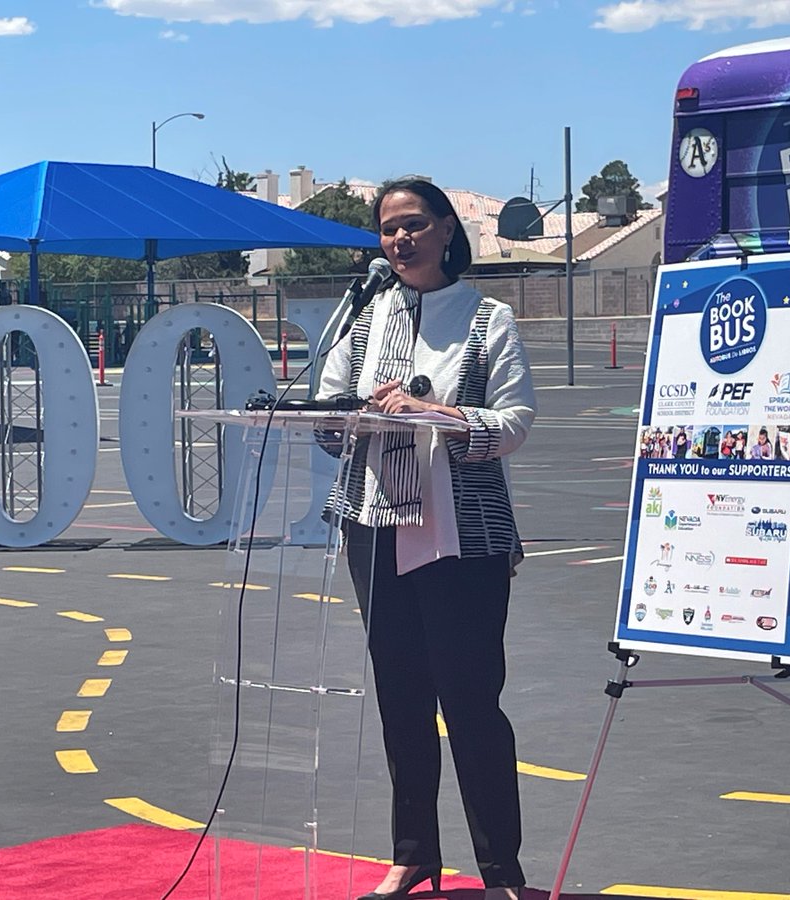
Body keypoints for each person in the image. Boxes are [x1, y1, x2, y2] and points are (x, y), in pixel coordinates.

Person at [318, 177, 535, 900]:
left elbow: (513, 423)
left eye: (413, 225)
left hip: (461, 537)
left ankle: (500, 868)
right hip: (374, 527)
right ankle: (413, 854)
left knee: (470, 701)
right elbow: (326, 417)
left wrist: (431, 412)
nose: (400, 240)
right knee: (400, 697)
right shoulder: (362, 320)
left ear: (447, 230)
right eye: (388, 230)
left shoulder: (487, 318)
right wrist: (336, 416)